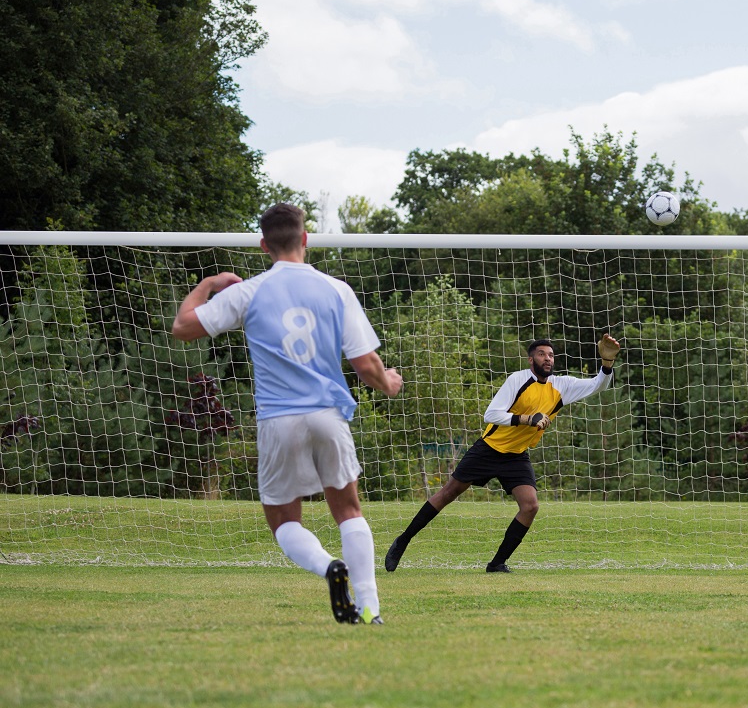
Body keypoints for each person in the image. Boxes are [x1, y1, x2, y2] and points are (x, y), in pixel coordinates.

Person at [172, 203, 403, 624]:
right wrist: (389, 383)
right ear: (305, 238)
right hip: (328, 413)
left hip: (278, 419)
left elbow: (183, 326)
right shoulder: (336, 289)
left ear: (264, 245)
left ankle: (327, 567)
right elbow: (366, 364)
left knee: (282, 520)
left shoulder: (250, 291)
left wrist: (209, 283)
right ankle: (370, 608)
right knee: (349, 510)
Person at [385, 334, 621, 573]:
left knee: (530, 506)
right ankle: (403, 541)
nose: (547, 358)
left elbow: (597, 385)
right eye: (541, 354)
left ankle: (497, 563)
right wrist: (527, 419)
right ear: (531, 360)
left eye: (550, 355)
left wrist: (607, 362)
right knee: (448, 493)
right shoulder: (517, 380)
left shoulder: (561, 386)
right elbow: (491, 414)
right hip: (489, 448)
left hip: (516, 455)